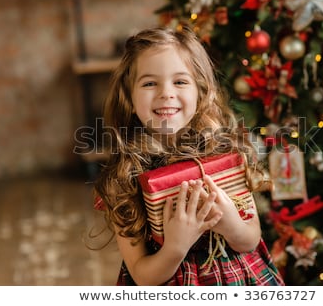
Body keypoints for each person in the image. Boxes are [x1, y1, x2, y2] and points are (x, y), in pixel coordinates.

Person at [93, 25, 284, 286]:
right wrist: (175, 246)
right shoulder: (124, 178)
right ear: (129, 98)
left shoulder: (226, 154)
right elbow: (142, 274)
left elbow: (251, 238)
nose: (166, 93)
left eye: (180, 81)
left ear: (201, 92)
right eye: (149, 83)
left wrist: (231, 225)